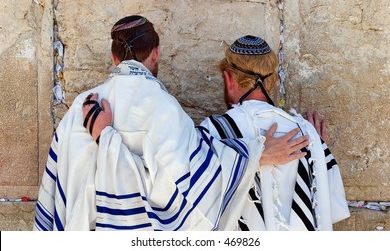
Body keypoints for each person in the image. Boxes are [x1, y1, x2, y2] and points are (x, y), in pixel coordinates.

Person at [33, 16, 309, 231]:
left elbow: (55, 189)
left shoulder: (80, 108)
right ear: (156, 53)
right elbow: (194, 185)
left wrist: (106, 137)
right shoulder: (166, 109)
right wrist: (257, 154)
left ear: (114, 57)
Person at [199, 35, 350, 230]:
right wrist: (319, 151)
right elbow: (333, 208)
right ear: (275, 80)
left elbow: (193, 194)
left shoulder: (214, 131)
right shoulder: (308, 134)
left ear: (228, 78)